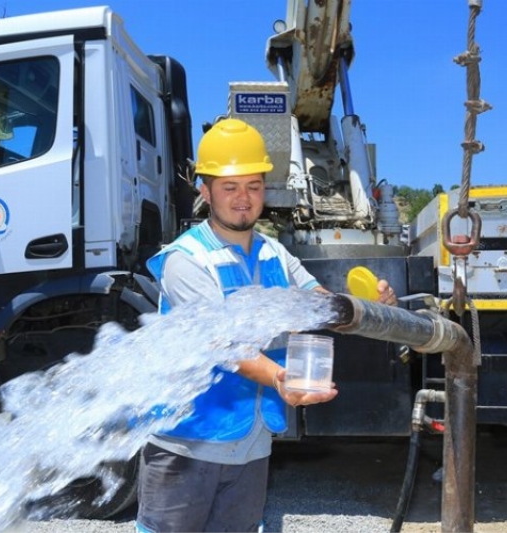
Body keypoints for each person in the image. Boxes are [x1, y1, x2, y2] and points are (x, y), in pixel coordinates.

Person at [135, 118, 397, 533]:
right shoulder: (186, 260)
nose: (244, 199)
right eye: (230, 187)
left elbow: (317, 305)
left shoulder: (274, 252)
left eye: (253, 186)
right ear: (205, 191)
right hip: (188, 443)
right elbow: (220, 343)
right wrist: (281, 377)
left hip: (250, 443)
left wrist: (366, 308)